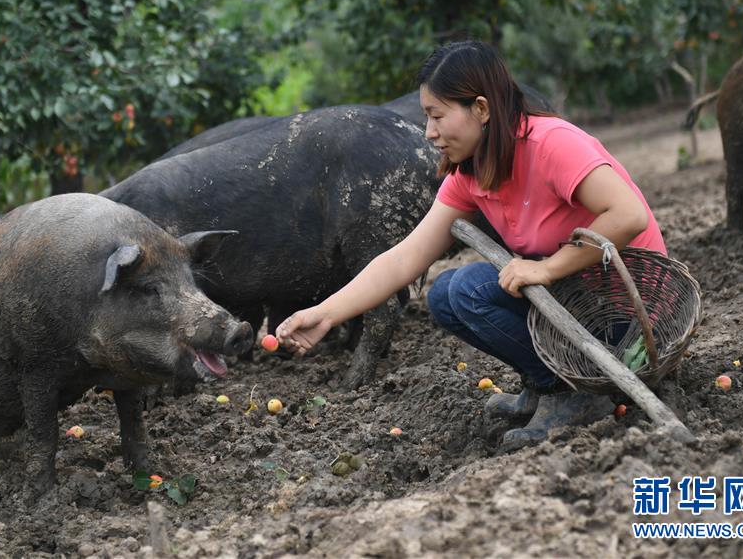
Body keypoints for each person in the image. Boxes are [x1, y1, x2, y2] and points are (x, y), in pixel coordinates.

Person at [276, 41, 667, 450]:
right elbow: (404, 258)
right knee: (447, 294)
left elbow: (628, 216)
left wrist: (547, 268)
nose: (429, 132)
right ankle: (552, 381)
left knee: (467, 289)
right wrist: (324, 314)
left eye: (437, 116)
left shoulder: (552, 144)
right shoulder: (472, 172)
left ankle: (580, 392)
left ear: (481, 109)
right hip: (574, 302)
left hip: (630, 316)